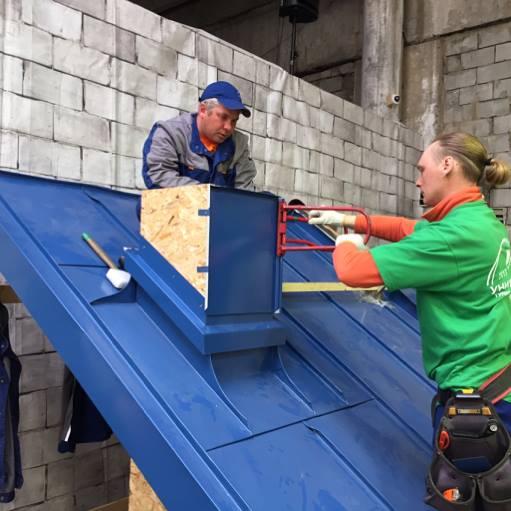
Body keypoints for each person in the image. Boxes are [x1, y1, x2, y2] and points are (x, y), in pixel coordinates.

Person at [309, 132, 511, 504]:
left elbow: (353, 270)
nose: (418, 180)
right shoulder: (480, 221)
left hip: (479, 405)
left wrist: (345, 241)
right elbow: (409, 228)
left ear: (447, 165)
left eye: (422, 169)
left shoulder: (453, 237)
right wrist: (353, 220)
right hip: (499, 385)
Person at [141, 81, 257, 191]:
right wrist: (211, 195)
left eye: (234, 121)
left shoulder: (239, 144)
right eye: (223, 117)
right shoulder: (170, 133)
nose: (229, 127)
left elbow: (245, 192)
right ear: (203, 110)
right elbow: (159, 176)